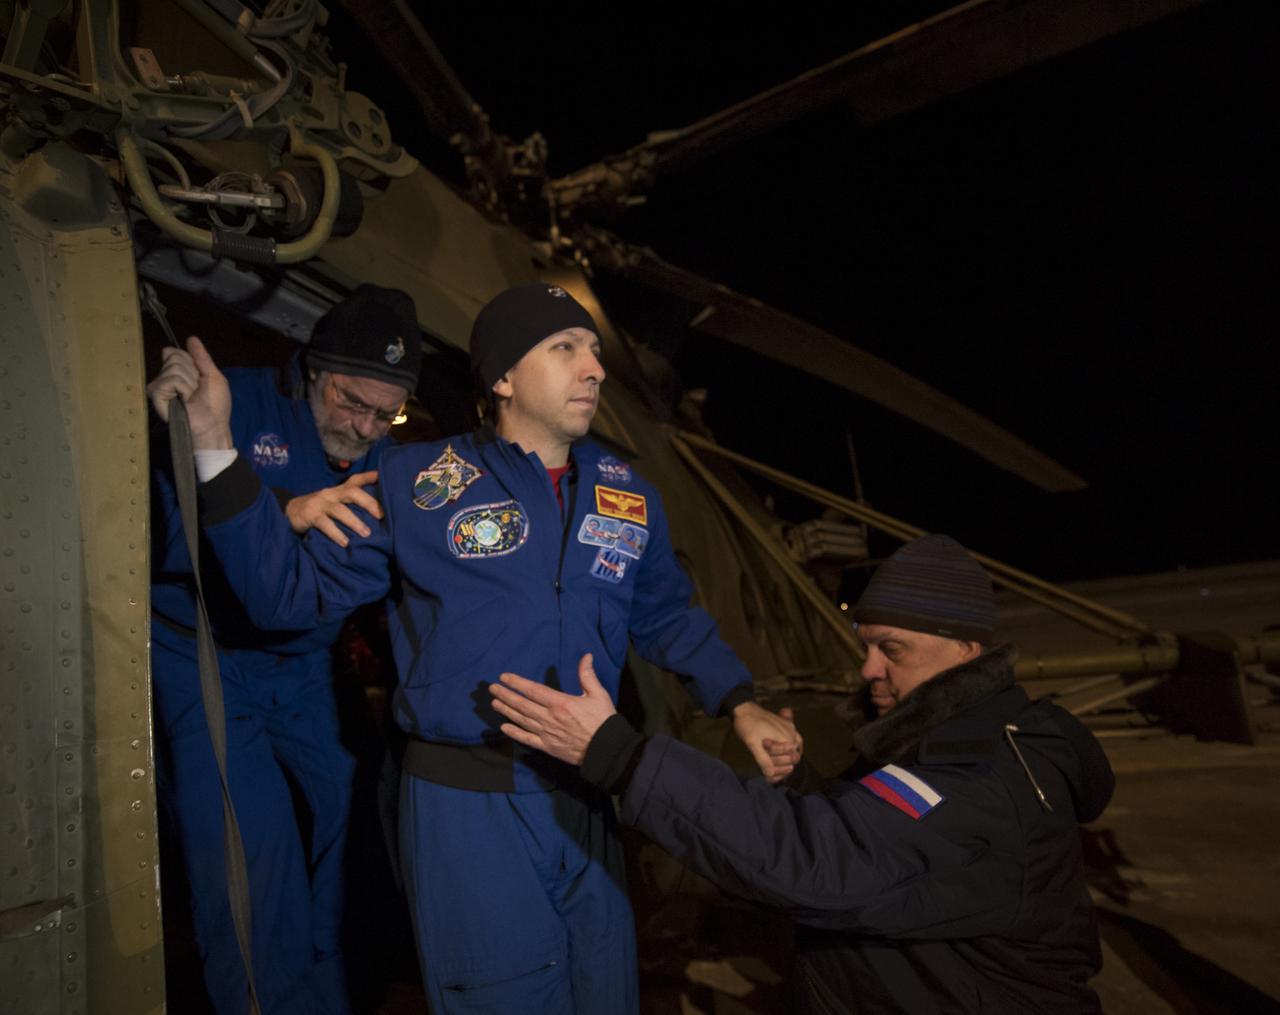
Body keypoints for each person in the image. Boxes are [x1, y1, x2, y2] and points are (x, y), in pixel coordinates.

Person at [147, 282, 801, 1014]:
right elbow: (285, 593)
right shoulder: (413, 481)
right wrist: (214, 450)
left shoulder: (627, 494)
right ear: (503, 378)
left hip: (589, 794)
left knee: (604, 989)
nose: (595, 368)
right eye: (566, 349)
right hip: (468, 803)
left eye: (593, 349)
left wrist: (741, 701)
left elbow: (667, 614)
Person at [490, 533, 1116, 1014]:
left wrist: (624, 758)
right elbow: (888, 849)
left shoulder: (978, 774)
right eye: (866, 645)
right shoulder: (945, 739)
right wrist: (804, 788)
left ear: (967, 651)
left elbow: (821, 864)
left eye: (891, 650)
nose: (868, 669)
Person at [146, 284, 422, 1015]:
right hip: (203, 656)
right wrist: (283, 510)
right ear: (312, 369)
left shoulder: (386, 453)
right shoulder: (224, 403)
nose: (364, 426)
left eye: (384, 411)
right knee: (246, 850)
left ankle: (334, 994)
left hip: (303, 668)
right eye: (349, 400)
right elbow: (153, 538)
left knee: (361, 820)